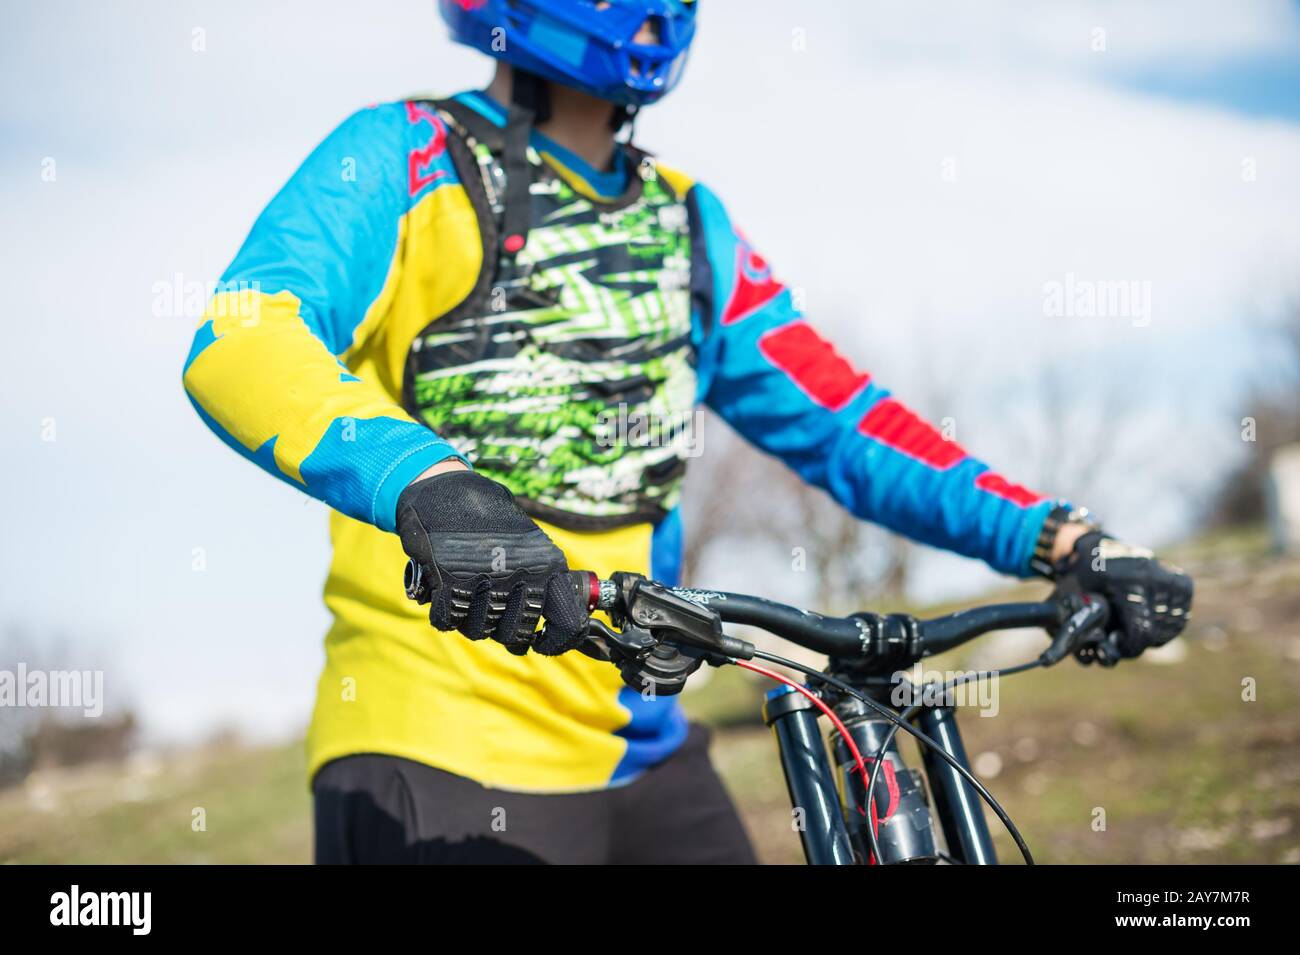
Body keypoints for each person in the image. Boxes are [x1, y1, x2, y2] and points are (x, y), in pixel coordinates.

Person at [182, 0, 1193, 864]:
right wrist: (425, 481)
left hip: (645, 746)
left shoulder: (684, 221)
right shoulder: (399, 157)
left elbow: (844, 423)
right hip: (437, 746)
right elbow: (244, 334)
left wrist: (1068, 540)